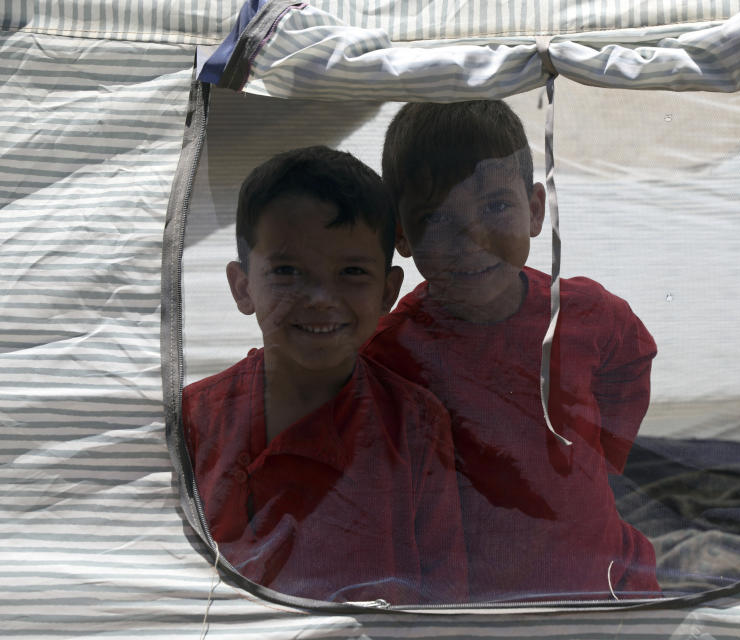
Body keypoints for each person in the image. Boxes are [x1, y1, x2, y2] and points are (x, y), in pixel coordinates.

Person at [364, 101, 660, 602]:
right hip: (473, 611)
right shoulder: (387, 353)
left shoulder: (586, 311)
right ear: (401, 235)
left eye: (496, 207)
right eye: (436, 218)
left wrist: (599, 462)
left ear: (536, 210)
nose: (470, 239)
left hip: (607, 590)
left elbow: (629, 359)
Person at [182, 145, 466, 604]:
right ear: (242, 286)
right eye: (287, 270)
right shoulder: (193, 419)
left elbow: (444, 600)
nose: (319, 296)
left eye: (351, 271)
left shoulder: (416, 425)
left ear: (388, 291)